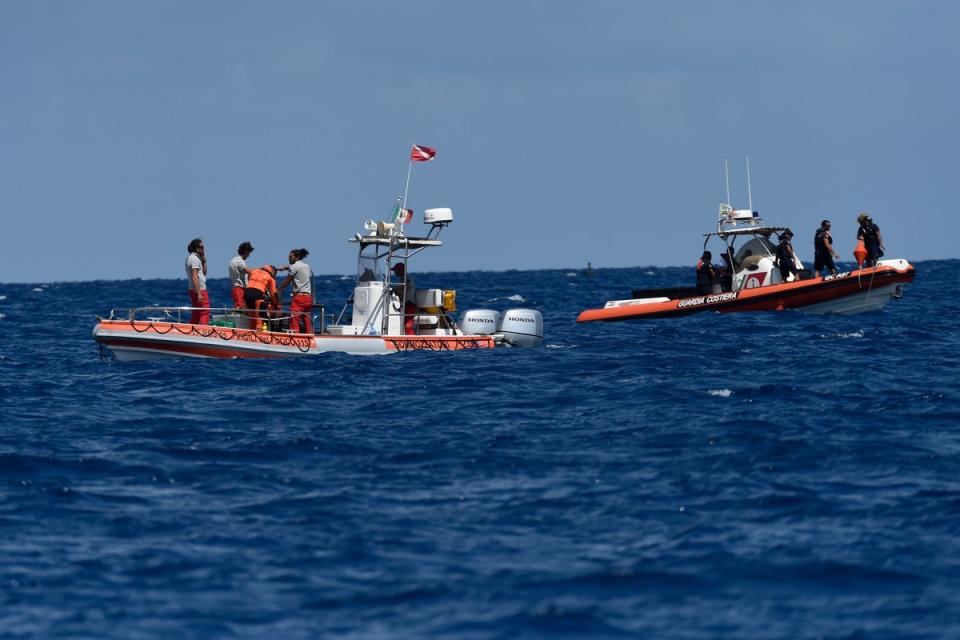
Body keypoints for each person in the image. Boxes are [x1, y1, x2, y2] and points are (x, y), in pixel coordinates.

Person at [278, 248, 314, 334]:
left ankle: (296, 339)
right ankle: (310, 336)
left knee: (294, 319)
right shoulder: (306, 266)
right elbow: (297, 268)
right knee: (307, 320)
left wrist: (278, 290)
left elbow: (287, 281)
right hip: (308, 298)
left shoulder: (294, 267)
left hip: (299, 298)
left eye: (290, 257)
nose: (288, 258)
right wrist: (286, 268)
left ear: (297, 257)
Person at [244, 265, 279, 330]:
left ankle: (251, 335)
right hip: (258, 294)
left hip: (247, 293)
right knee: (259, 319)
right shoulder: (271, 278)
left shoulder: (253, 271)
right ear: (273, 272)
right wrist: (275, 305)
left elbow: (249, 280)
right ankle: (260, 335)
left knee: (252, 318)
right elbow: (273, 294)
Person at [185, 238, 210, 325]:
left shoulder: (195, 258)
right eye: (202, 247)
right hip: (200, 290)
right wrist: (199, 293)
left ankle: (192, 329)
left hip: (193, 289)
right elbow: (195, 276)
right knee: (204, 311)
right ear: (196, 248)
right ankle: (203, 331)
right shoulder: (194, 259)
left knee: (196, 313)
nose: (203, 249)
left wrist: (204, 260)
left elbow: (204, 272)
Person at [228, 241, 255, 308]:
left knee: (238, 308)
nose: (249, 255)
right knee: (240, 309)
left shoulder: (233, 260)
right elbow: (249, 271)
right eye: (249, 253)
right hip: (240, 289)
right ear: (246, 251)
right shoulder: (239, 261)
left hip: (236, 289)